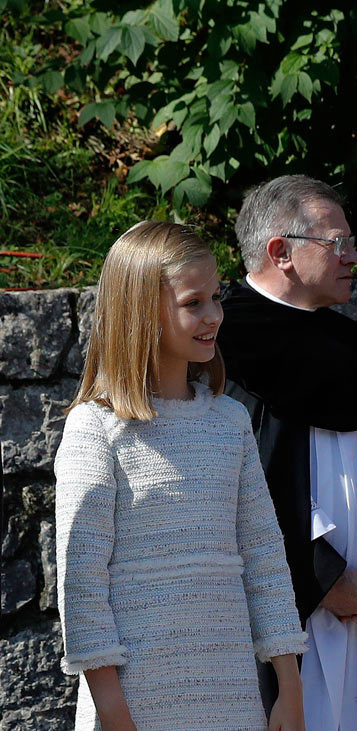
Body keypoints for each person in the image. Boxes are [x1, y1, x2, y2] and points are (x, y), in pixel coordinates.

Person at [55, 221, 307, 731]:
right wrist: (111, 708)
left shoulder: (229, 422)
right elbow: (82, 582)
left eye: (216, 297)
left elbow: (264, 560)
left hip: (233, 698)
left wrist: (290, 687)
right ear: (141, 312)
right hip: (133, 705)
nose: (214, 315)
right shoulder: (95, 428)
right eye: (194, 303)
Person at [217, 175, 357, 731]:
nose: (355, 256)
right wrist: (323, 580)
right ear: (280, 252)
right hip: (295, 619)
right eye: (337, 243)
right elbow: (245, 488)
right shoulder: (225, 345)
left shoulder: (353, 346)